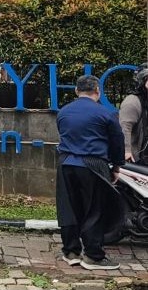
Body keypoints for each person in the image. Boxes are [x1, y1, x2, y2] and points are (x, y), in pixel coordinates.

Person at [56, 75, 126, 271]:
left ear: (77, 91)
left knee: (68, 207)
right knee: (95, 209)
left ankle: (71, 252)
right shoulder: (105, 114)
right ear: (98, 91)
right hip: (93, 164)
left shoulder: (64, 112)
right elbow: (117, 142)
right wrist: (116, 166)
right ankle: (93, 255)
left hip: (66, 163)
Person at [118, 64, 148, 164]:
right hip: (138, 157)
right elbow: (124, 128)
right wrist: (126, 151)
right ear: (142, 81)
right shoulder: (132, 101)